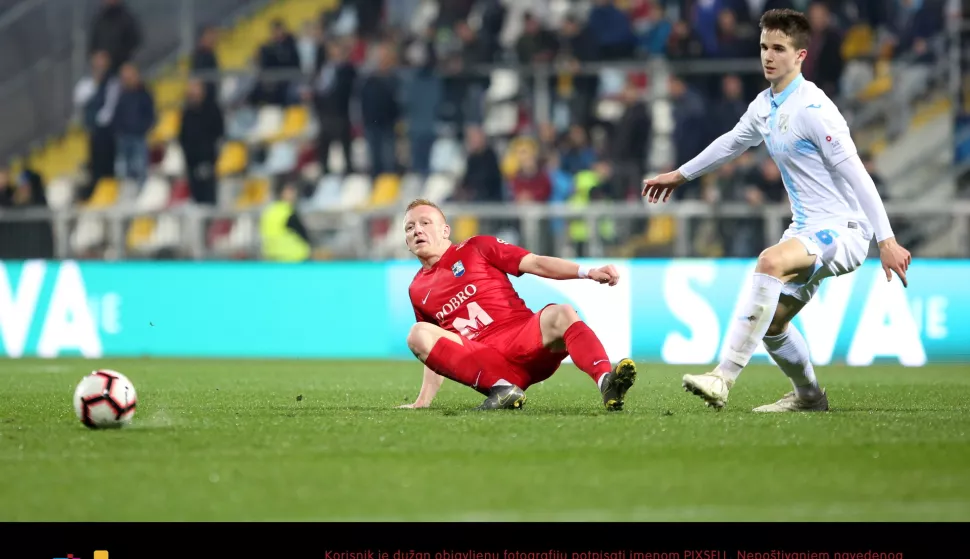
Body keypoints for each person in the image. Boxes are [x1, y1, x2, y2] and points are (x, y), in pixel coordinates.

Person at [641, 9, 912, 413]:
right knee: (771, 323)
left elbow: (858, 175)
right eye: (764, 47)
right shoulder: (765, 105)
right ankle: (809, 397)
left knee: (768, 262)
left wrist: (886, 240)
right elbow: (731, 143)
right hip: (805, 230)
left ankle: (722, 377)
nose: (769, 56)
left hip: (844, 229)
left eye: (779, 49)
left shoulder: (814, 110)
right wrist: (680, 175)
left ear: (801, 55)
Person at [400, 198, 637, 411]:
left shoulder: (477, 247)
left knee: (562, 312)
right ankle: (502, 390)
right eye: (410, 228)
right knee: (417, 333)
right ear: (407, 242)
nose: (417, 231)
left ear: (445, 230)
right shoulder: (417, 289)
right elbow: (435, 349)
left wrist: (588, 271)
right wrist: (423, 400)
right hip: (488, 363)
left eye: (425, 223)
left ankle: (606, 381)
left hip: (524, 339)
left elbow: (536, 263)